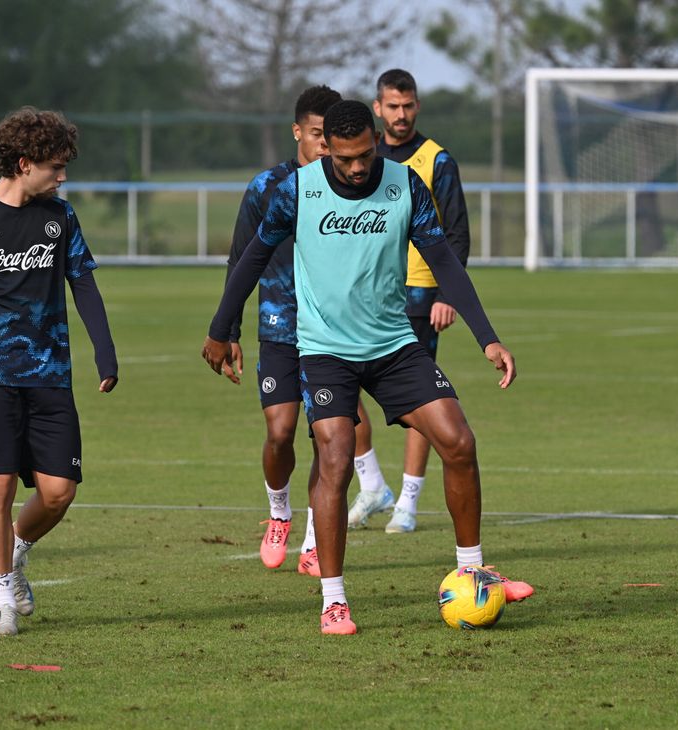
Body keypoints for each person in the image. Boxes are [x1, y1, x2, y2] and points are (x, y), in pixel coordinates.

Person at [203, 100, 533, 635]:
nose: (357, 167)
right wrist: (222, 328)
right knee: (335, 458)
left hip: (394, 345)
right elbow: (253, 258)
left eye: (365, 155)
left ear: (377, 141)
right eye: (345, 158)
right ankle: (333, 601)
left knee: (459, 442)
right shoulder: (297, 190)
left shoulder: (405, 185)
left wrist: (487, 337)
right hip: (325, 351)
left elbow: (444, 260)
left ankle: (473, 572)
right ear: (326, 150)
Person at [0, 107, 118, 636]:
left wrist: (104, 350)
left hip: (50, 376)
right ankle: (1, 603)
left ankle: (13, 551)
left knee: (59, 492)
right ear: (25, 162)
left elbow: (83, 283)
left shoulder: (60, 217)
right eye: (56, 167)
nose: (63, 177)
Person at [222, 85, 353, 577]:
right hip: (279, 326)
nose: (324, 144)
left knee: (327, 439)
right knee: (280, 433)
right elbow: (241, 259)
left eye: (331, 136)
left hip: (334, 334)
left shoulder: (351, 187)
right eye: (317, 133)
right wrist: (228, 328)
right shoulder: (267, 187)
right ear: (298, 131)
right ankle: (279, 512)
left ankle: (315, 541)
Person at [346, 68, 474, 534]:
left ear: (417, 106)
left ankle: (408, 501)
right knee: (341, 387)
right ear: (377, 108)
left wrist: (446, 295)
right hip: (364, 294)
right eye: (393, 106)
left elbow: (456, 233)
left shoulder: (437, 160)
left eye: (408, 106)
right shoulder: (362, 159)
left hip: (419, 296)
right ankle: (372, 484)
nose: (401, 115)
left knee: (419, 399)